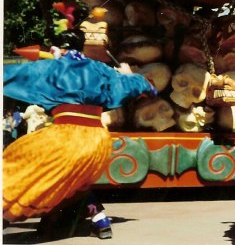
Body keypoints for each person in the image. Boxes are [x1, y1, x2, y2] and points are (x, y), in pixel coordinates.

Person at [3, 31, 156, 238]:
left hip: (67, 138)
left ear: (59, 48)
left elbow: (9, 74)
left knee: (14, 164)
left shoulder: (52, 67)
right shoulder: (102, 70)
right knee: (76, 185)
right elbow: (149, 87)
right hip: (99, 142)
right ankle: (100, 220)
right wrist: (129, 76)